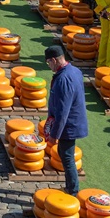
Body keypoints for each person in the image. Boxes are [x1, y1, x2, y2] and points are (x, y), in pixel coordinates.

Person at [44, 44, 89, 195]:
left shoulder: (63, 79)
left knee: (67, 157)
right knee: (66, 155)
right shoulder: (74, 70)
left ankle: (72, 190)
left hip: (68, 125)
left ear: (54, 60)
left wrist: (54, 135)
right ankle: (71, 188)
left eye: (48, 62)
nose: (49, 65)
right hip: (73, 121)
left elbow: (63, 111)